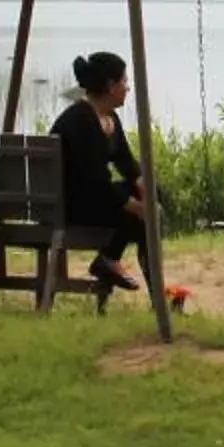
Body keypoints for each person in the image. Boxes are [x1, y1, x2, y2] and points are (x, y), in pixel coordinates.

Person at [52, 50, 153, 309]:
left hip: (94, 200)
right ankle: (110, 261)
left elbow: (127, 163)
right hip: (74, 206)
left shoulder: (109, 117)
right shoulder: (80, 120)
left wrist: (147, 193)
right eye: (124, 81)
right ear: (110, 85)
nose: (128, 88)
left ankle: (110, 261)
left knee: (150, 200)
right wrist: (135, 205)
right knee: (137, 214)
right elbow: (94, 182)